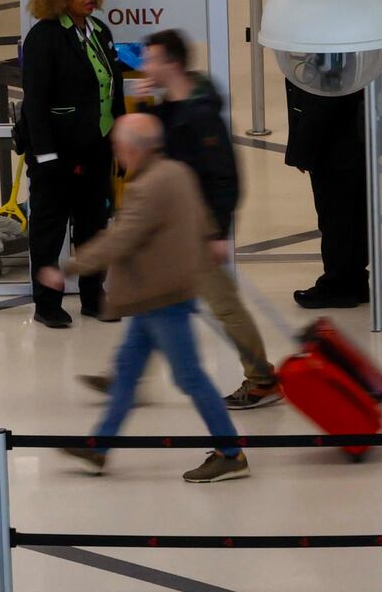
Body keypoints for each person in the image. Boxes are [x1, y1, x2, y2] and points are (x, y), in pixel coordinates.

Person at [40, 113, 250, 484]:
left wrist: (68, 268)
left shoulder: (148, 187)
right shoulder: (177, 173)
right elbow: (201, 221)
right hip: (156, 297)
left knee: (190, 378)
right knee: (125, 375)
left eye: (119, 146)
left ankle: (231, 453)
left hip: (162, 300)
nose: (116, 153)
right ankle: (98, 448)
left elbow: (120, 239)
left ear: (132, 149)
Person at [80, 29, 282, 410]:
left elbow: (225, 176)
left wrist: (218, 232)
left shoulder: (200, 114)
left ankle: (262, 379)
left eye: (152, 59)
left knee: (224, 306)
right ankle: (126, 375)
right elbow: (150, 150)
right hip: (173, 229)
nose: (146, 66)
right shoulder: (171, 106)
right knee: (151, 302)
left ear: (171, 63)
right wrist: (144, 108)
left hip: (198, 231)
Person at [20, 0, 125, 328]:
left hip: (96, 148)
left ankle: (94, 297)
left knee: (94, 226)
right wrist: (47, 156)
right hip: (57, 154)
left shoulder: (98, 30)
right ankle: (46, 304)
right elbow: (34, 104)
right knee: (50, 229)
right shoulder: (43, 38)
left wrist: (122, 139)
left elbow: (115, 88)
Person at [285, 82, 370, 309]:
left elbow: (320, 101)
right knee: (356, 213)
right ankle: (355, 279)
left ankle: (337, 285)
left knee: (335, 218)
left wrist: (302, 152)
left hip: (333, 147)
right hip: (359, 137)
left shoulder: (327, 55)